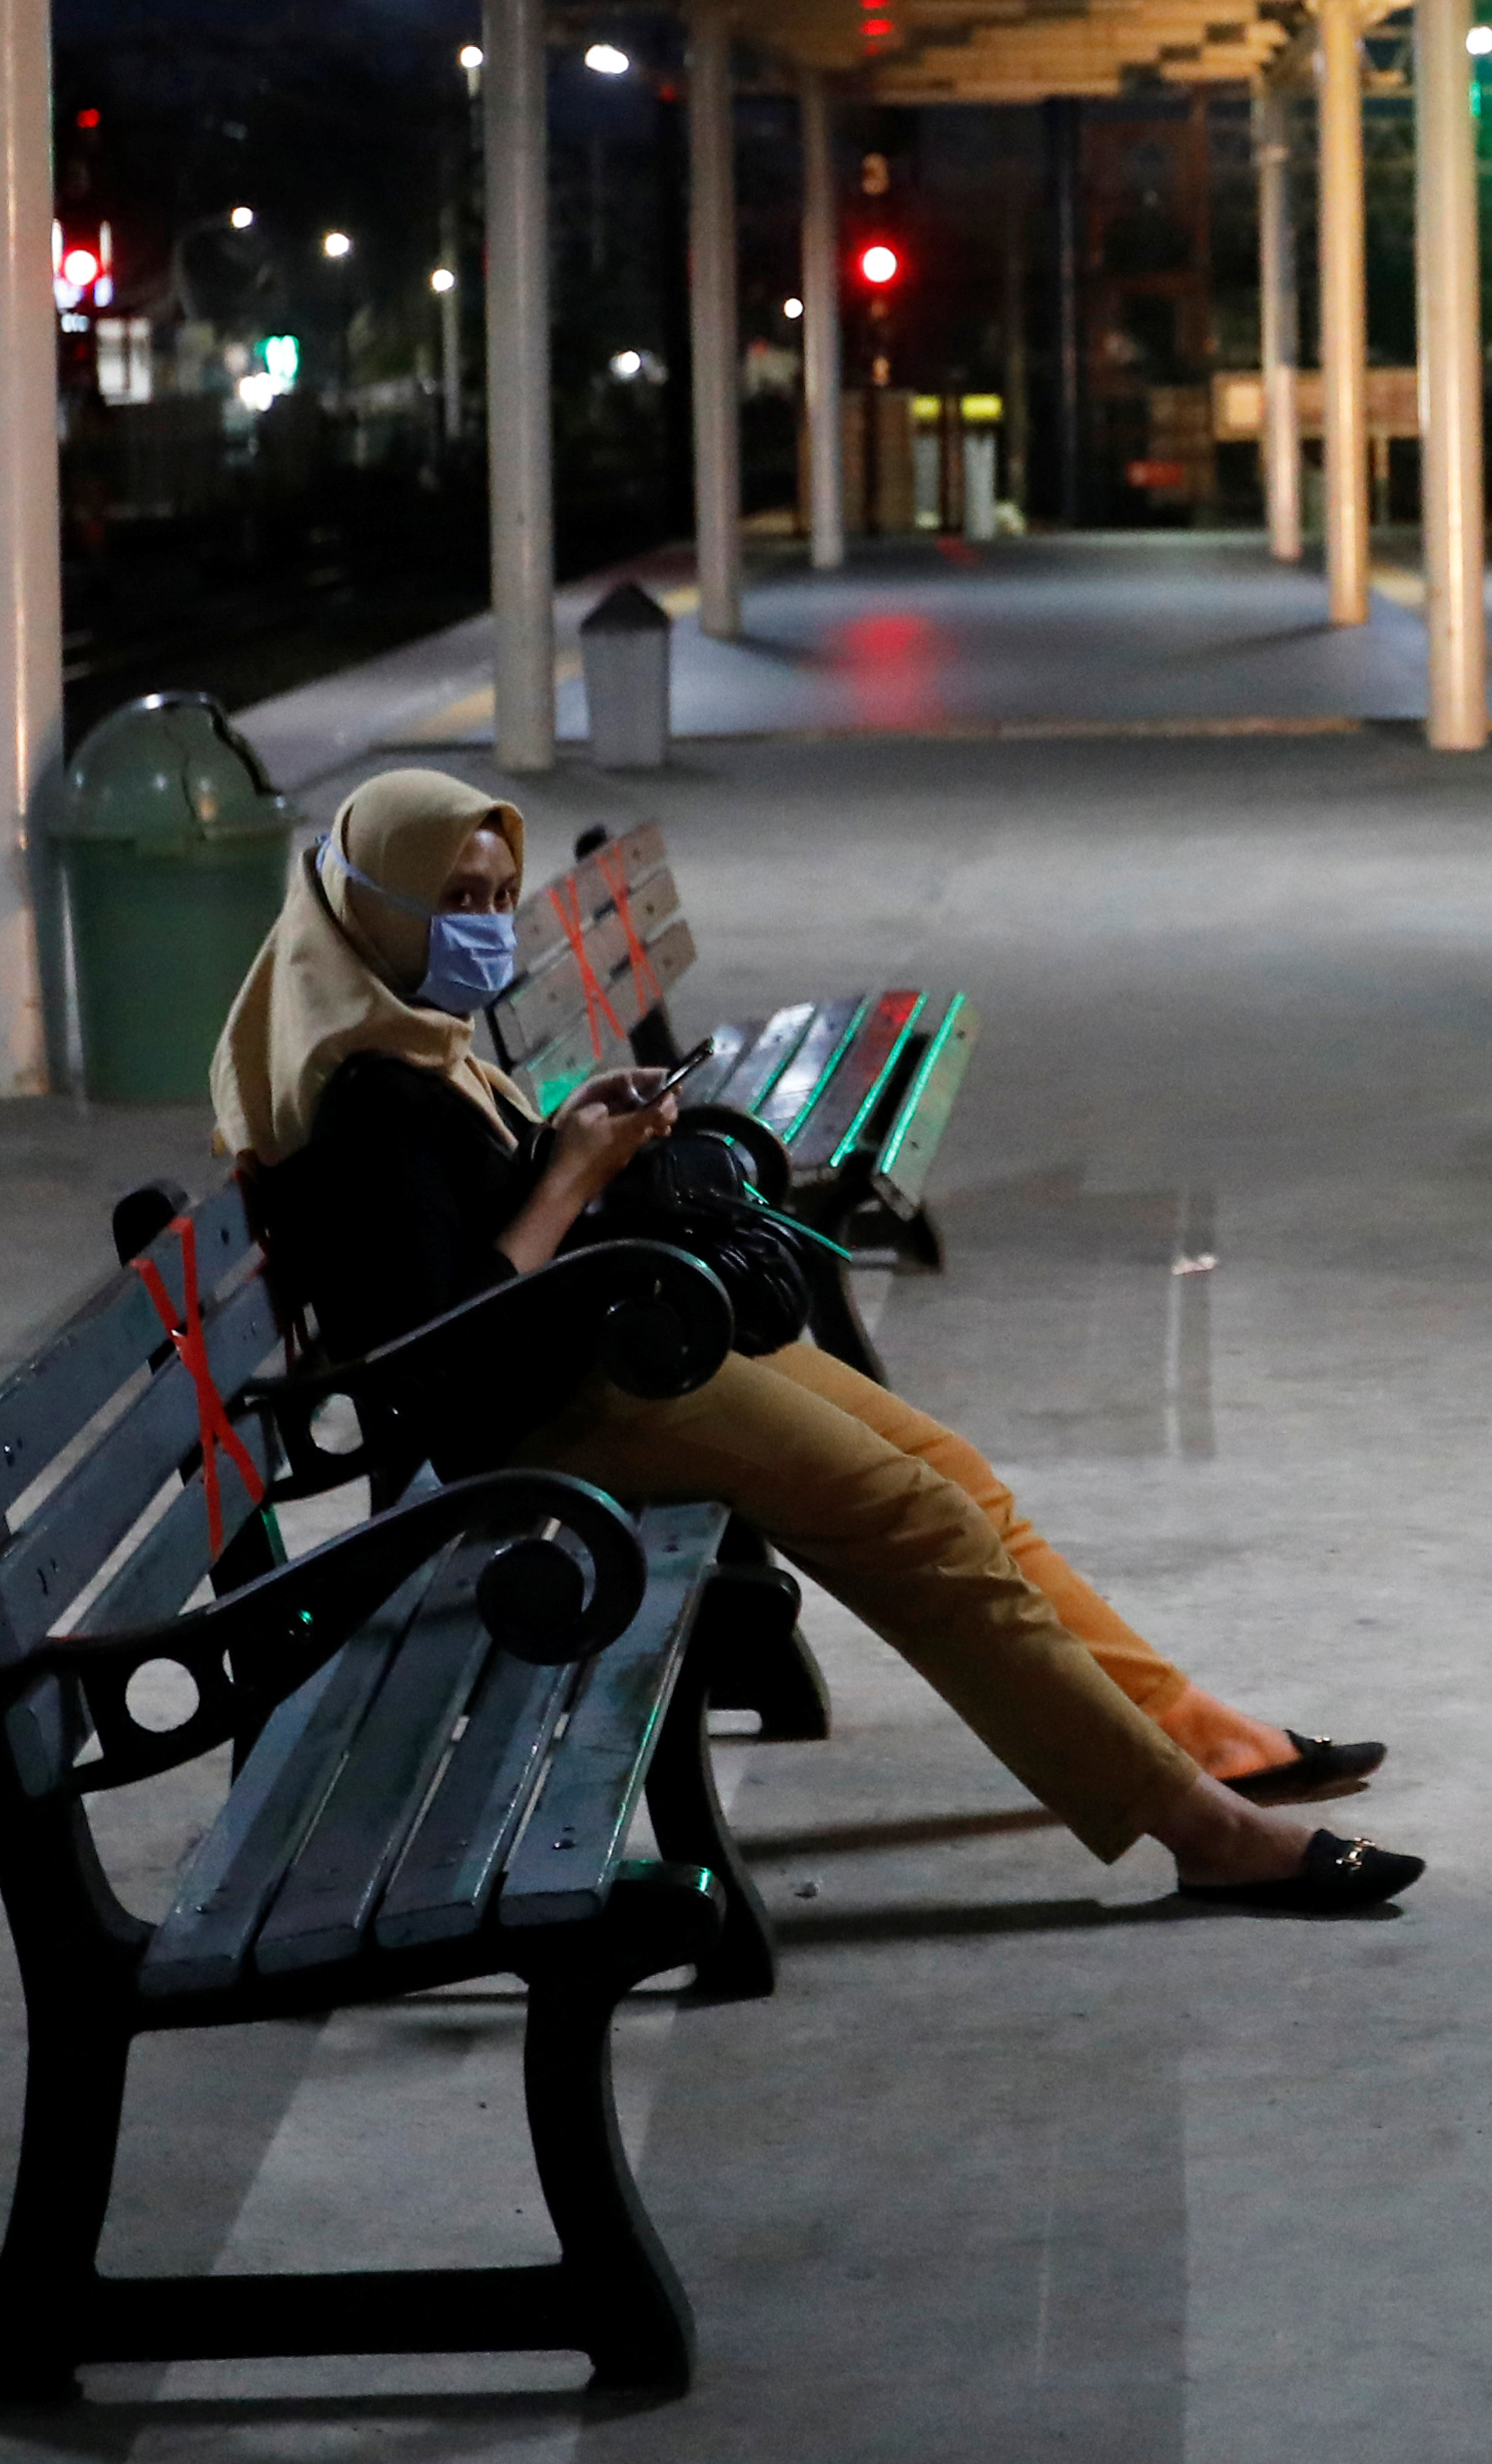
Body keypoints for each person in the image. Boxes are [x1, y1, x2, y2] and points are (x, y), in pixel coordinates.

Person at [220, 767, 1420, 1914]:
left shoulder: (419, 1043)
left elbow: (485, 1225)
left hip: (618, 1337)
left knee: (950, 1472)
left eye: (493, 897)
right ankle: (1206, 1832)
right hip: (552, 1401)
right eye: (452, 901)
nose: (481, 927)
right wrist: (566, 1180)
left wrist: (572, 1143)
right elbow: (444, 1351)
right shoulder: (365, 1098)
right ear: (367, 906)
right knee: (917, 1520)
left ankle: (1189, 1728)